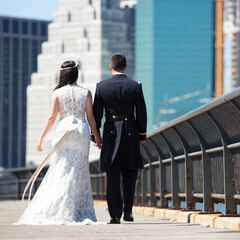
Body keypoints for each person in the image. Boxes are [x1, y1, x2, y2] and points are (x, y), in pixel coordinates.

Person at [16, 60, 103, 225]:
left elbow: (51, 118)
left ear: (62, 74)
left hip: (63, 131)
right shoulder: (86, 93)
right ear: (76, 73)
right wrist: (97, 138)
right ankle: (77, 210)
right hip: (81, 131)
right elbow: (90, 118)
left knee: (62, 169)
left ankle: (62, 208)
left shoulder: (57, 93)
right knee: (79, 170)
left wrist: (41, 137)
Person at [92, 53, 147, 224]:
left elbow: (96, 115)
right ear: (126, 67)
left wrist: (96, 136)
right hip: (130, 132)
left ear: (110, 67)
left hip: (110, 134)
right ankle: (128, 212)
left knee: (112, 174)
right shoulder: (135, 86)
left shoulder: (101, 87)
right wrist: (142, 135)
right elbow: (142, 113)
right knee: (130, 173)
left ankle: (115, 215)